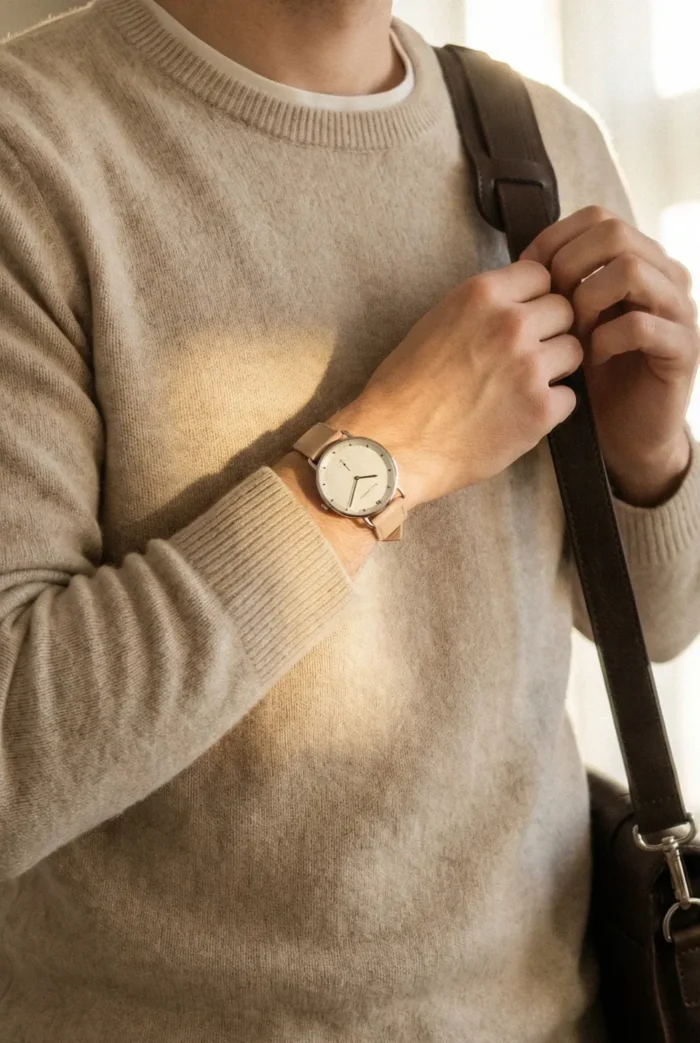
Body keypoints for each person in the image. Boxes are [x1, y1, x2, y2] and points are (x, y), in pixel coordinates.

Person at [0, 0, 698, 1039]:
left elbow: (662, 622)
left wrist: (646, 454)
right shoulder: (27, 151)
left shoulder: (546, 141)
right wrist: (389, 455)